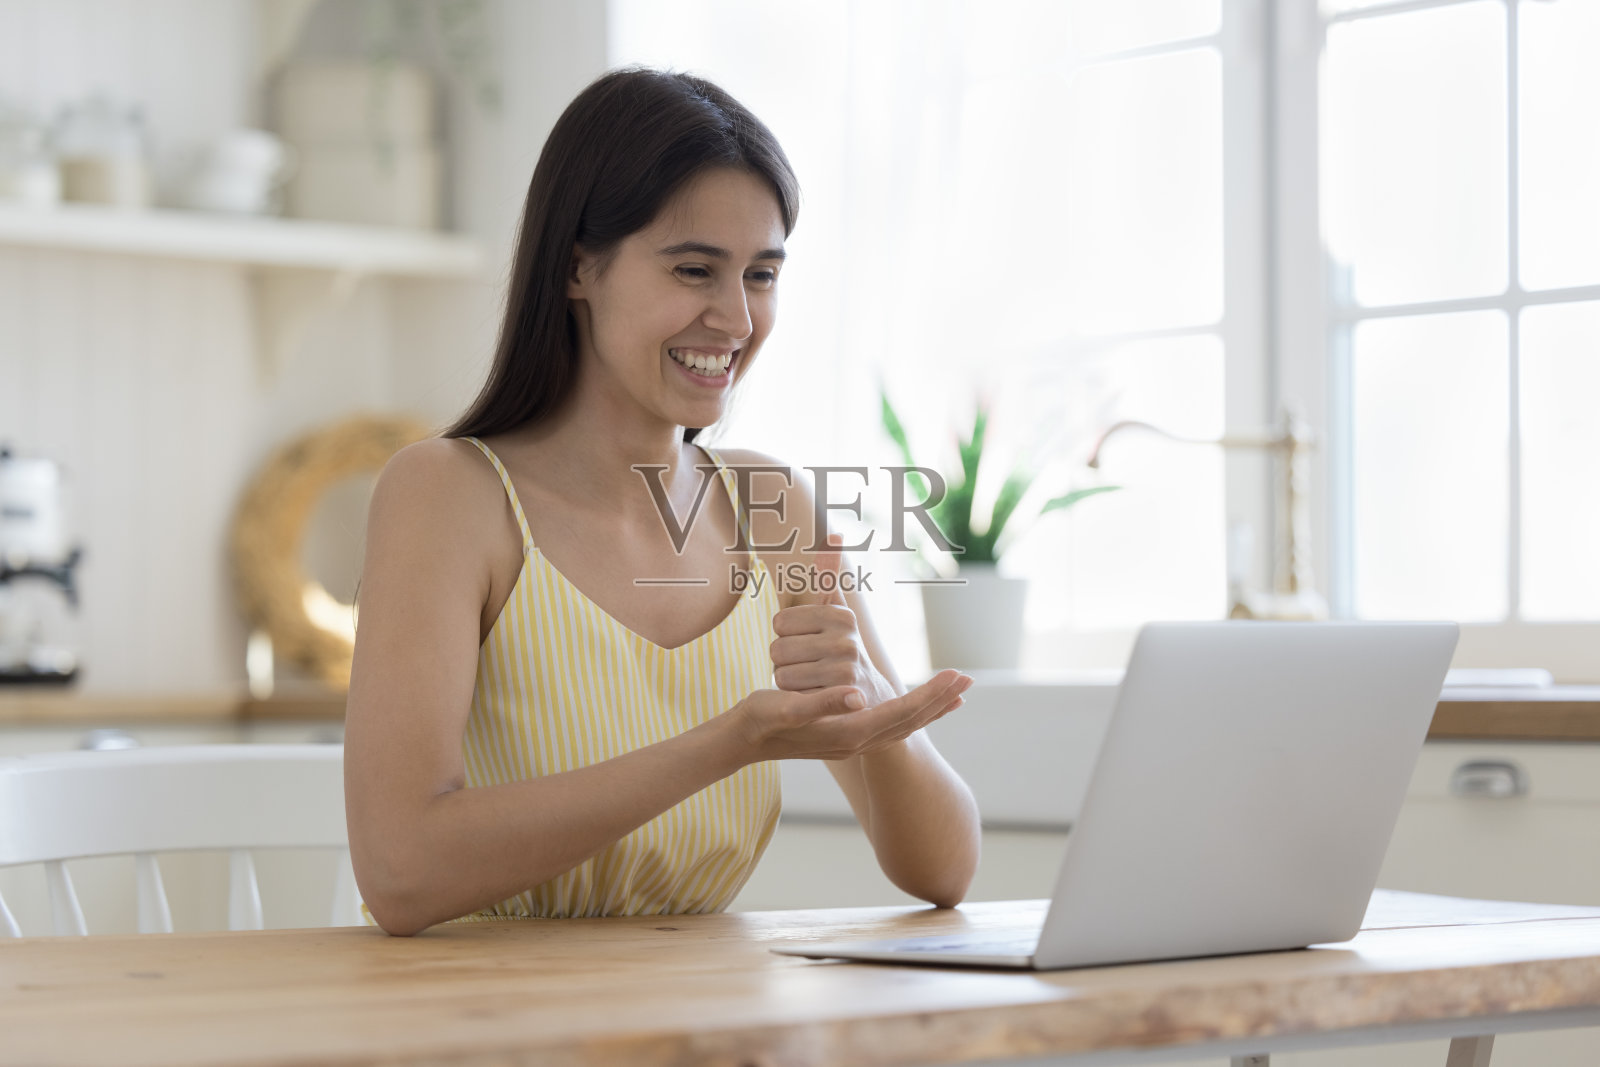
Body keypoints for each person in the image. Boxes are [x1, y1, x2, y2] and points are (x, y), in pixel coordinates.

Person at [344, 67, 981, 936]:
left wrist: (872, 708)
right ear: (579, 266)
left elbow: (944, 871)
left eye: (761, 275)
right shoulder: (449, 495)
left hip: (701, 1002)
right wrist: (732, 741)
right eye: (694, 270)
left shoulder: (770, 506)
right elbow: (401, 870)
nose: (737, 319)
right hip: (475, 1004)